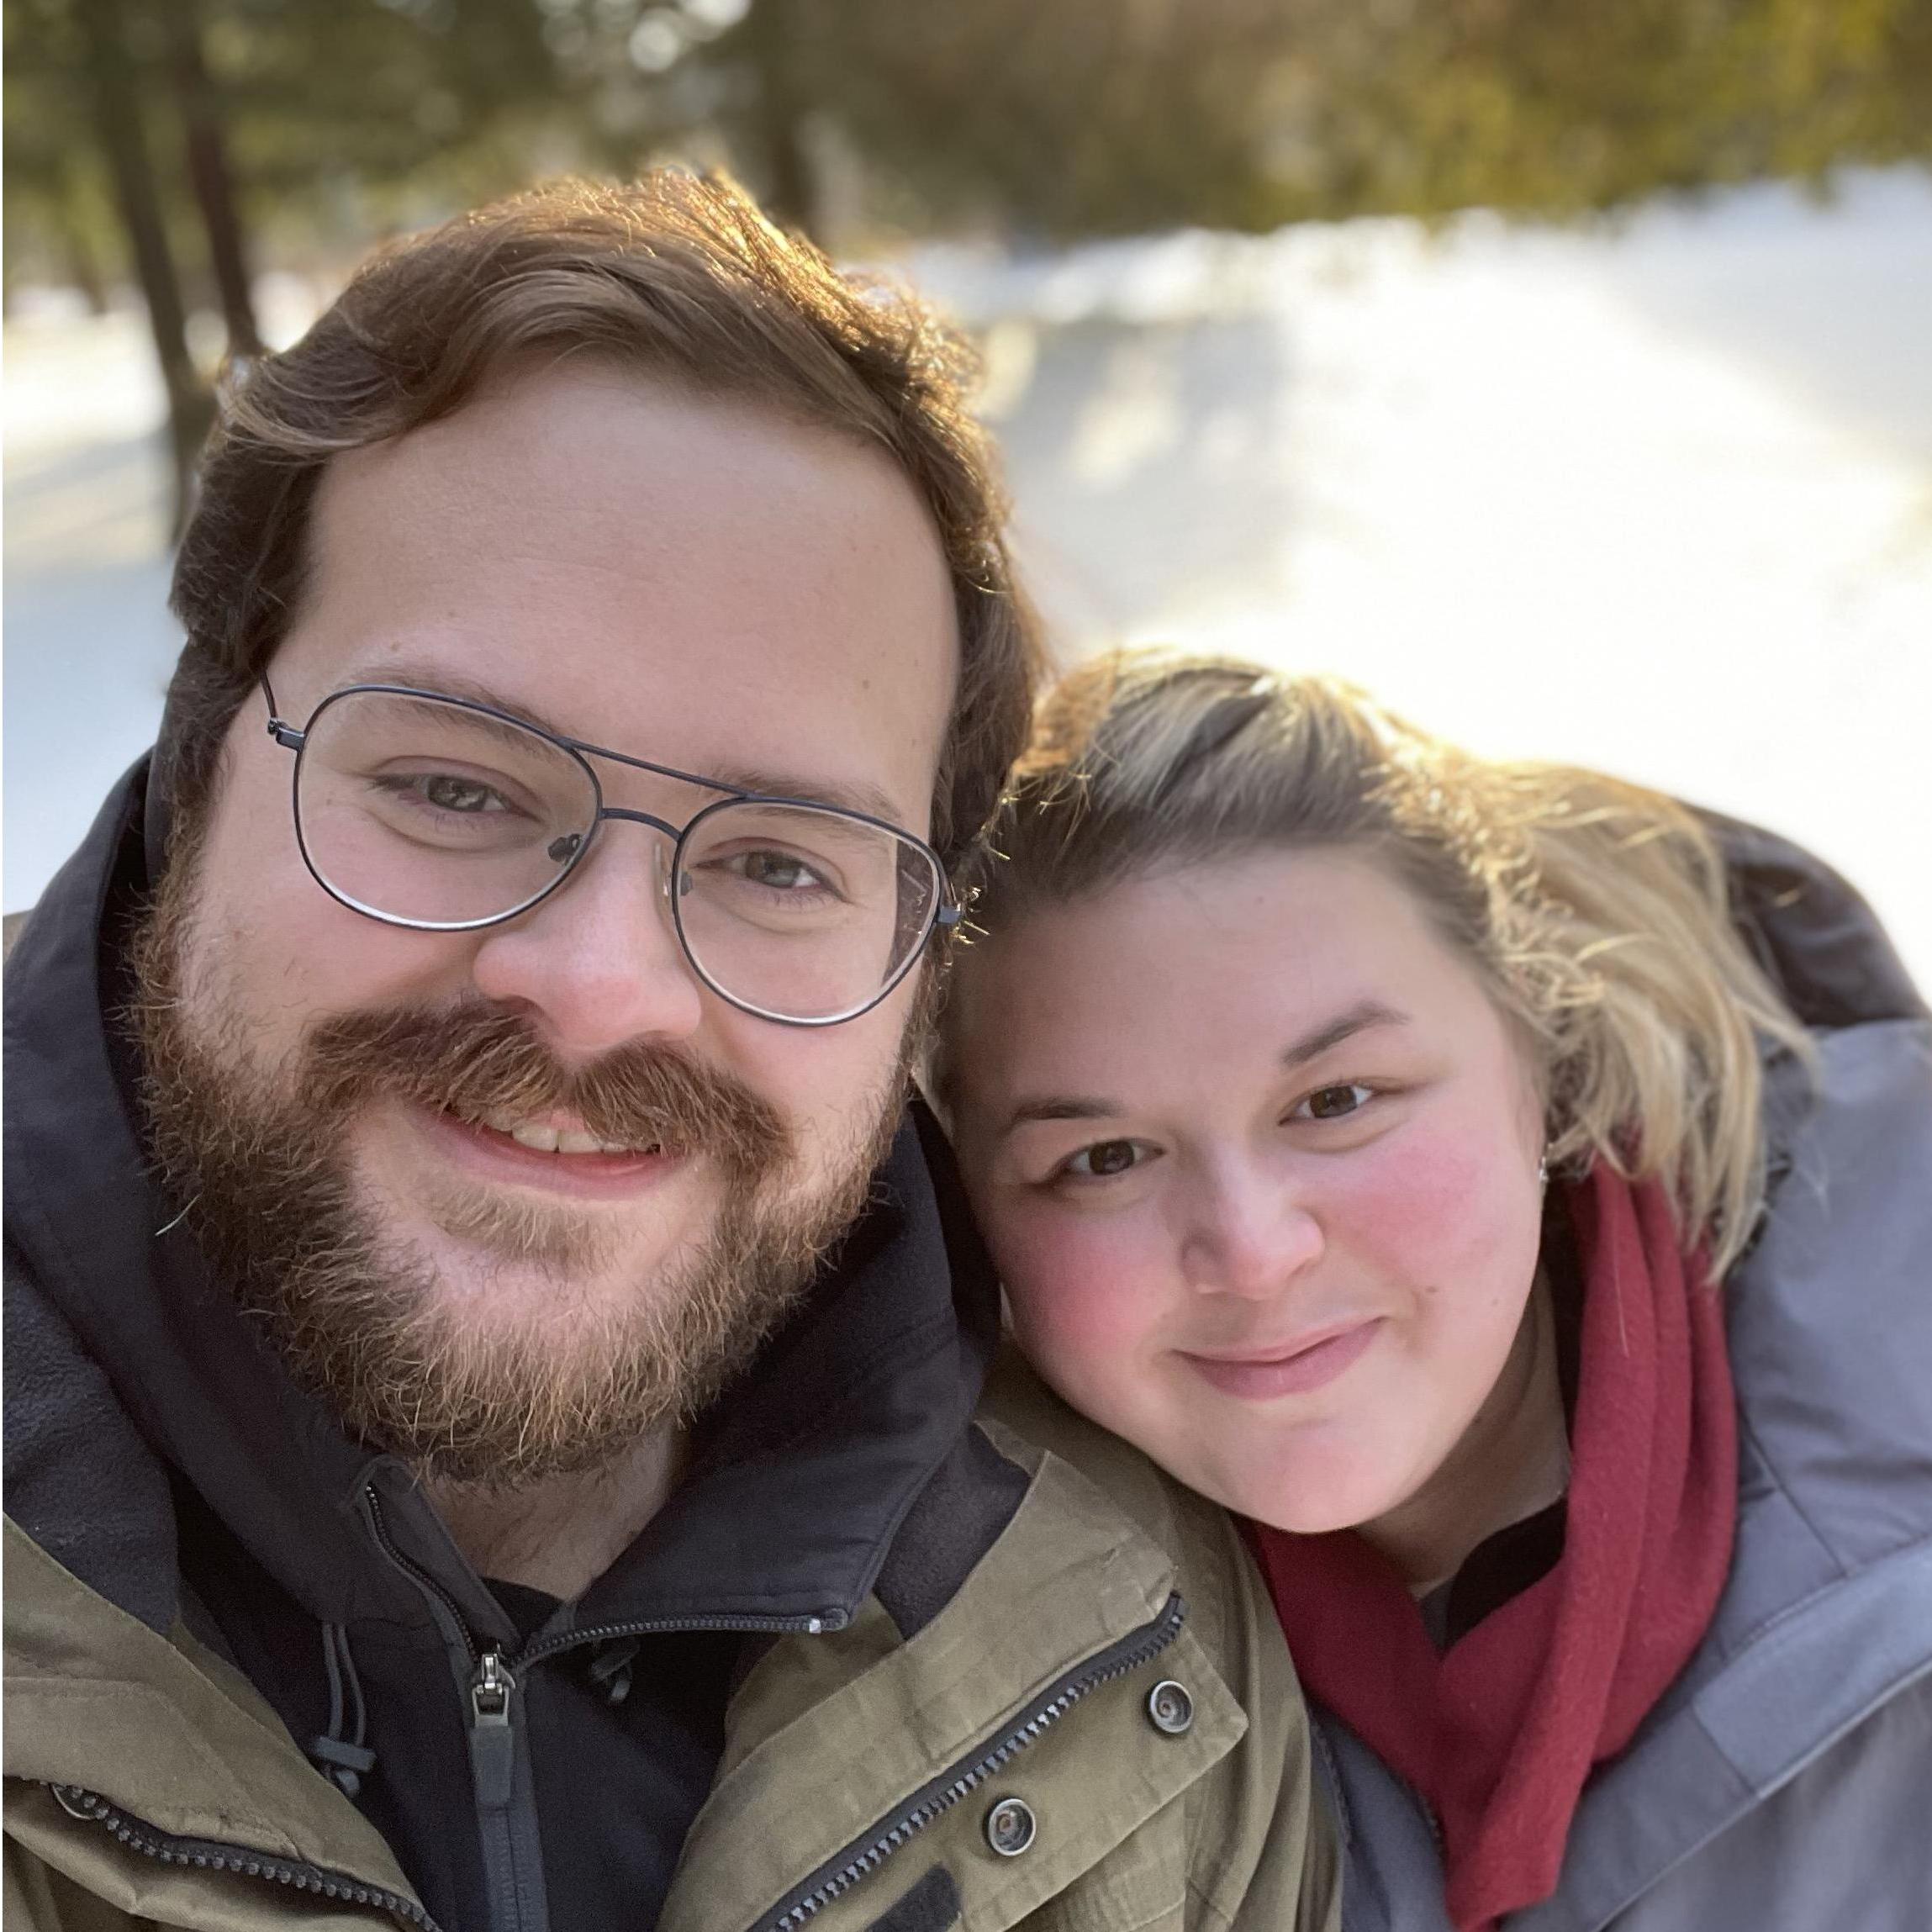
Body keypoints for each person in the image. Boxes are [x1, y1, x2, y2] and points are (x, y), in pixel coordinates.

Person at [3, 187, 1338, 1932]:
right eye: (454, 788)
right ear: (203, 772)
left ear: (913, 962)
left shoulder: (1136, 1646)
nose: (596, 991)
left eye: (782, 863)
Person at [937, 651, 1932, 1930]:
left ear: (1538, 1053)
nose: (1250, 1249)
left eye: (1337, 1100)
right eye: (1104, 1158)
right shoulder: (984, 1673)